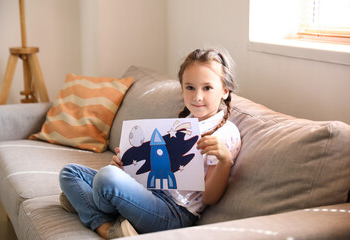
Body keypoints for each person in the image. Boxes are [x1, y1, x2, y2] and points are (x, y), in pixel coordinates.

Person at [59, 48, 241, 239]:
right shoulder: (182, 124)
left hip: (173, 212)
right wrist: (125, 168)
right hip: (148, 191)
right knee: (70, 173)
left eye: (207, 88)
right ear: (182, 88)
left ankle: (101, 223)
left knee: (106, 178)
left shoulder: (225, 133)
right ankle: (100, 202)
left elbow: (210, 198)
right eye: (190, 87)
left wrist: (224, 160)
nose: (197, 96)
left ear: (225, 91)